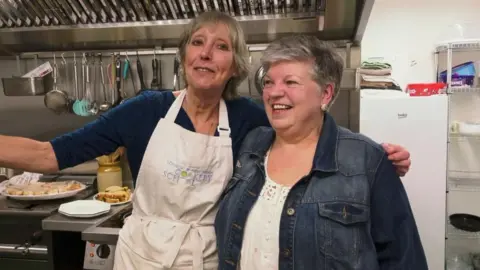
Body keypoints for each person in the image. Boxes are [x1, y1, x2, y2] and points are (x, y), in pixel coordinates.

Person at [0, 12, 411, 270]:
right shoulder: (144, 109)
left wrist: (374, 157)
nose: (205, 54)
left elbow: (308, 128)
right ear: (184, 55)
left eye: (220, 47)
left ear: (235, 65)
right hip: (142, 255)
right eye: (197, 43)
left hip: (208, 258)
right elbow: (50, 155)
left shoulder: (251, 117)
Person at [215, 35, 427, 270]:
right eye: (268, 82)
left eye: (290, 82)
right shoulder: (250, 146)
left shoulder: (367, 161)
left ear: (325, 94)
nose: (274, 92)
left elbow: (404, 260)